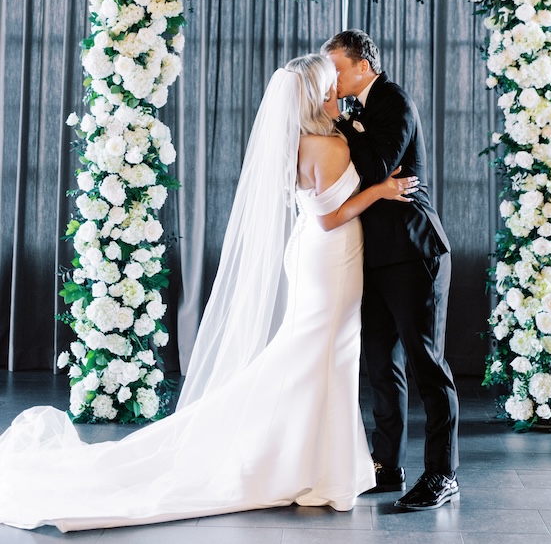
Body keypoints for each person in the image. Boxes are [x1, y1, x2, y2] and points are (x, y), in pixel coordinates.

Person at [0, 54, 418, 532]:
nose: (336, 96)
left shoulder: (305, 140)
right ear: (313, 97)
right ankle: (309, 466)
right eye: (328, 90)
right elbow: (329, 216)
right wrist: (380, 191)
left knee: (321, 353)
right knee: (319, 352)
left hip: (317, 256)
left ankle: (317, 463)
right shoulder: (327, 147)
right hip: (330, 254)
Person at [321, 29, 460, 510]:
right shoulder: (356, 108)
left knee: (427, 363)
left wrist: (342, 126)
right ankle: (387, 466)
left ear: (363, 65)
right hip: (374, 255)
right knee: (382, 365)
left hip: (413, 250)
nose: (331, 78)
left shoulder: (393, 100)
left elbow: (379, 168)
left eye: (336, 67)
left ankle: (442, 475)